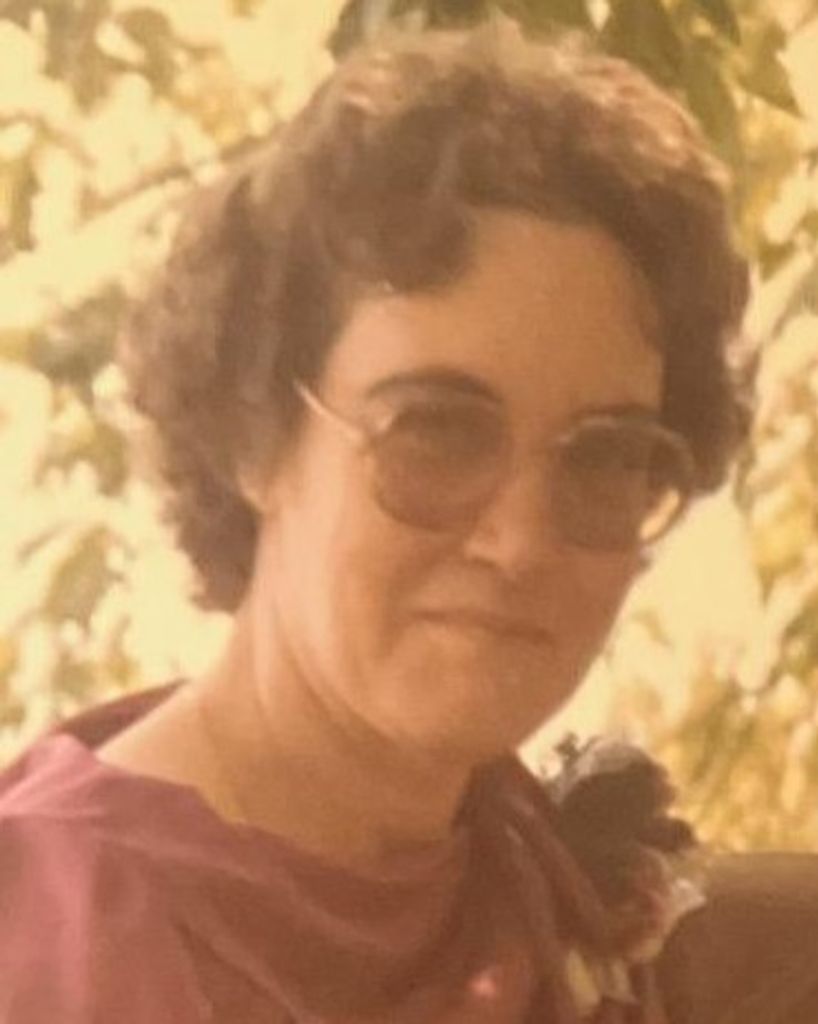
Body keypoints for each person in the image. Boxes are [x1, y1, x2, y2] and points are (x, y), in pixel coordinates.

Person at [0, 20, 750, 1024]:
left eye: (603, 458)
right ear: (256, 434)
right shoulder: (60, 947)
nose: (520, 540)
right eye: (435, 432)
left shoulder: (543, 891)